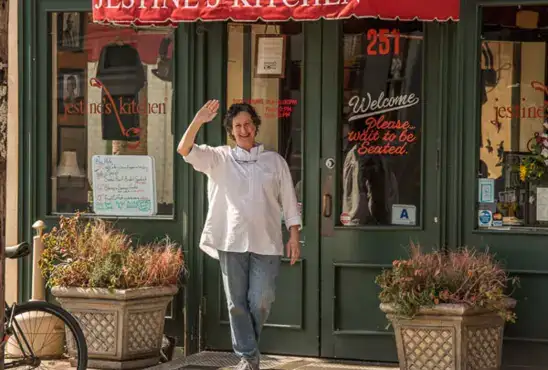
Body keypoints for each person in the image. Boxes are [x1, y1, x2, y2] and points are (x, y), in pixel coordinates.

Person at [177, 100, 302, 370]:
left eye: (247, 124)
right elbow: (184, 149)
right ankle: (248, 357)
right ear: (231, 132)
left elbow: (289, 200)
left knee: (261, 300)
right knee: (236, 303)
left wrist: (294, 236)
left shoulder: (275, 162)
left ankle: (249, 353)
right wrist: (198, 120)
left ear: (255, 126)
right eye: (237, 126)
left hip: (267, 242)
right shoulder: (219, 157)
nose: (243, 129)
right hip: (230, 241)